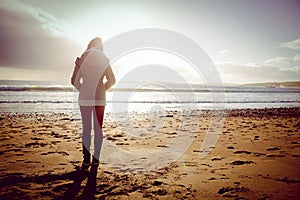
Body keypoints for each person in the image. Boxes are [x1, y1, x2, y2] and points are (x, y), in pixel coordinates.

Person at [71, 37, 115, 170]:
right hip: (100, 98)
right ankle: (95, 161)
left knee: (86, 129)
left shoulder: (81, 60)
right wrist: (102, 89)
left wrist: (84, 89)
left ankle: (86, 161)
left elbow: (74, 81)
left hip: (85, 98)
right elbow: (112, 80)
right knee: (98, 129)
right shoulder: (105, 60)